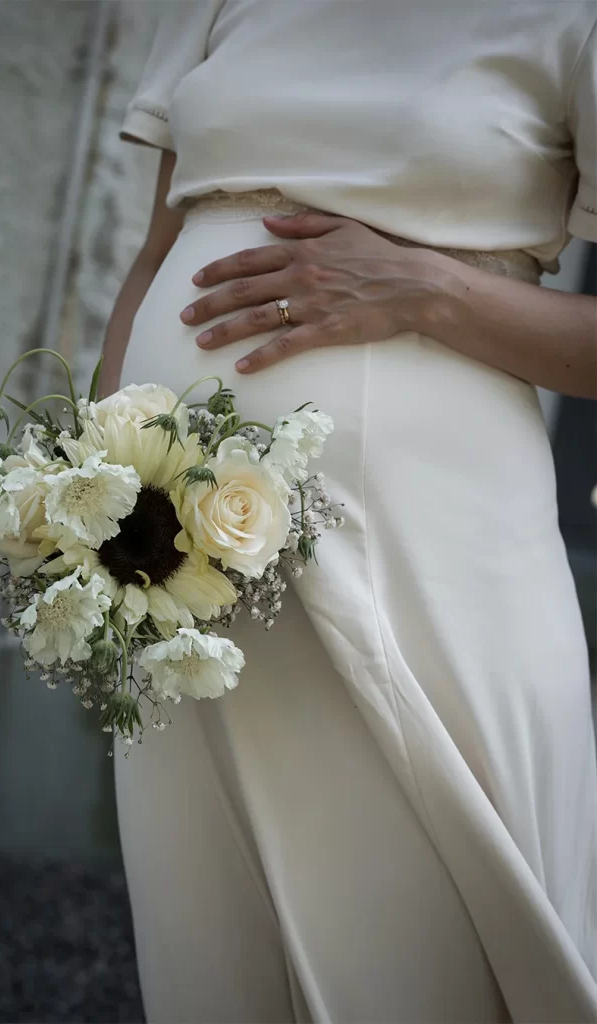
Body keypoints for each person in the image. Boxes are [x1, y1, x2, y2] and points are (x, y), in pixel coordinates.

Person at [99, 3, 597, 1021]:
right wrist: (101, 487)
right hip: (182, 559)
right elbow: (155, 257)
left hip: (435, 547)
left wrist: (425, 288)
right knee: (215, 932)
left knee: (423, 926)